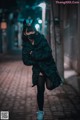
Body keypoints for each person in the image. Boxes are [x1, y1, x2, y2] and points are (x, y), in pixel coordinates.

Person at [22, 21, 62, 120]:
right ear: (25, 34)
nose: (31, 36)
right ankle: (40, 111)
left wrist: (34, 54)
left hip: (48, 67)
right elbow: (26, 61)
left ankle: (57, 79)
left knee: (50, 86)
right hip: (38, 70)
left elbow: (48, 53)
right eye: (29, 35)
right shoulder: (26, 45)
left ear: (35, 32)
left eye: (33, 34)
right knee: (40, 91)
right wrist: (37, 59)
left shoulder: (41, 38)